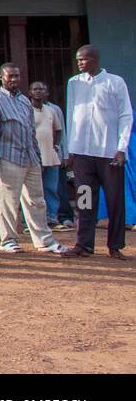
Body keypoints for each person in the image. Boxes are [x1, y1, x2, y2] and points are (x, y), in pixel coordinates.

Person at [62, 45, 132, 259]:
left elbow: (125, 116)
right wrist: (70, 149)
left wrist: (121, 148)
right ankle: (84, 245)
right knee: (85, 200)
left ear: (95, 59)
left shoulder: (115, 82)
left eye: (83, 59)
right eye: (78, 60)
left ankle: (115, 245)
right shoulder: (74, 83)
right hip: (83, 154)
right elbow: (71, 113)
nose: (79, 63)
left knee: (114, 201)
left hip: (109, 154)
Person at [0, 63, 65, 255]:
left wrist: (37, 156)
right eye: (10, 76)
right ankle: (8, 240)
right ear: (1, 77)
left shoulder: (24, 101)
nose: (14, 79)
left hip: (30, 156)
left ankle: (44, 240)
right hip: (9, 156)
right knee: (9, 201)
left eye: (16, 76)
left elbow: (31, 130)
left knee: (37, 200)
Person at [29, 80, 71, 229]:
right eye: (35, 89)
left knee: (51, 189)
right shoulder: (26, 109)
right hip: (34, 158)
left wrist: (57, 145)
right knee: (34, 191)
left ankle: (52, 218)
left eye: (41, 89)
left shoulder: (51, 110)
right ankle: (34, 221)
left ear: (47, 92)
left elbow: (59, 130)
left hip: (51, 156)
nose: (39, 91)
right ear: (30, 93)